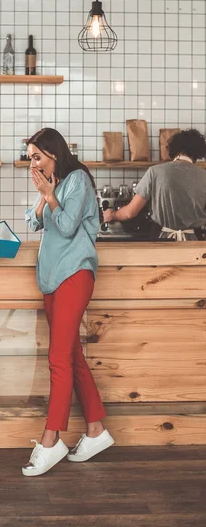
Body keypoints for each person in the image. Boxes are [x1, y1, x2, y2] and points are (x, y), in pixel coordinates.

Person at [23, 128, 114, 477]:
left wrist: (51, 194)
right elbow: (33, 222)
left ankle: (51, 440)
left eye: (36, 156)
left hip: (74, 275)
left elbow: (64, 225)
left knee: (58, 359)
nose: (32, 162)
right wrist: (43, 193)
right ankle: (96, 430)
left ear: (53, 153)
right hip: (52, 279)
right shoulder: (57, 182)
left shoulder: (76, 180)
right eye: (31, 156)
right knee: (72, 357)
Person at [103, 129, 206, 240]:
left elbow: (130, 212)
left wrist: (112, 215)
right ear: (197, 153)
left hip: (162, 240)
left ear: (175, 149)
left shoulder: (155, 172)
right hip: (195, 243)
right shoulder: (203, 175)